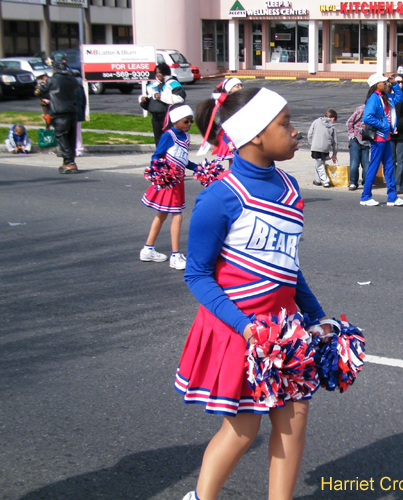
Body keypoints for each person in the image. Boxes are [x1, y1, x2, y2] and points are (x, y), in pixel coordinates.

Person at [176, 87, 333, 500]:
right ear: (256, 136)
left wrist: (317, 316)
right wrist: (245, 328)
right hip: (240, 330)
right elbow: (197, 275)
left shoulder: (290, 189)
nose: (296, 132)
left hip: (284, 332)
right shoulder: (220, 197)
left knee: (295, 417)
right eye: (285, 124)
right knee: (244, 428)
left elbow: (287, 266)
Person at [140, 105, 198, 270]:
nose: (189, 124)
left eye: (191, 121)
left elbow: (184, 160)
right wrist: (161, 172)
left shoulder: (185, 137)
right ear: (176, 120)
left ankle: (148, 249)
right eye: (186, 121)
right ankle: (175, 256)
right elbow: (156, 156)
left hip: (178, 181)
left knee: (162, 215)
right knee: (177, 216)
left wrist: (198, 168)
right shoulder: (168, 136)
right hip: (169, 181)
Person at [360, 73, 403, 207]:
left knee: (389, 167)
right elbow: (367, 117)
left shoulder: (384, 97)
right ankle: (365, 196)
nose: (385, 84)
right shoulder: (373, 99)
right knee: (374, 167)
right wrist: (383, 125)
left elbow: (399, 97)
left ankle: (392, 197)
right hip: (379, 138)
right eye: (383, 82)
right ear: (376, 85)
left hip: (386, 137)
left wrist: (394, 83)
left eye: (386, 82)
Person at [36, 53, 80, 174]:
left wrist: (41, 84)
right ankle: (70, 161)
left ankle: (69, 162)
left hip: (60, 113)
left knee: (61, 137)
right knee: (71, 138)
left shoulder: (52, 80)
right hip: (72, 111)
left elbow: (41, 92)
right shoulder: (72, 79)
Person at [196, 77, 244, 167]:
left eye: (241, 86)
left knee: (240, 159)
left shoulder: (241, 99)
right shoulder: (226, 101)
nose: (240, 88)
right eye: (236, 86)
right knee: (233, 160)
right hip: (229, 133)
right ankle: (231, 176)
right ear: (229, 90)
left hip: (239, 131)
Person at [140, 63, 187, 144]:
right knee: (158, 142)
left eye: (160, 72)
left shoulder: (173, 84)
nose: (158, 75)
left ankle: (169, 156)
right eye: (157, 73)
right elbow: (152, 104)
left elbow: (180, 98)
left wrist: (161, 97)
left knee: (169, 140)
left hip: (168, 118)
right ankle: (159, 156)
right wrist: (144, 102)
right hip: (155, 118)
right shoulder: (153, 85)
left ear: (165, 73)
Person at [307, 109, 338, 187]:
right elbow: (335, 142)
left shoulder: (316, 122)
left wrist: (312, 143)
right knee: (320, 163)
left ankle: (325, 181)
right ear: (333, 118)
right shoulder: (332, 127)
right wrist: (334, 154)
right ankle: (317, 180)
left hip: (315, 146)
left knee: (319, 164)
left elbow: (309, 134)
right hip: (326, 148)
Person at [345, 104, 370, 191]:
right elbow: (349, 122)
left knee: (366, 163)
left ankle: (366, 182)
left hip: (367, 140)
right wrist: (351, 135)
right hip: (356, 138)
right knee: (354, 163)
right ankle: (353, 182)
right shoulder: (361, 109)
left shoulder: (377, 111)